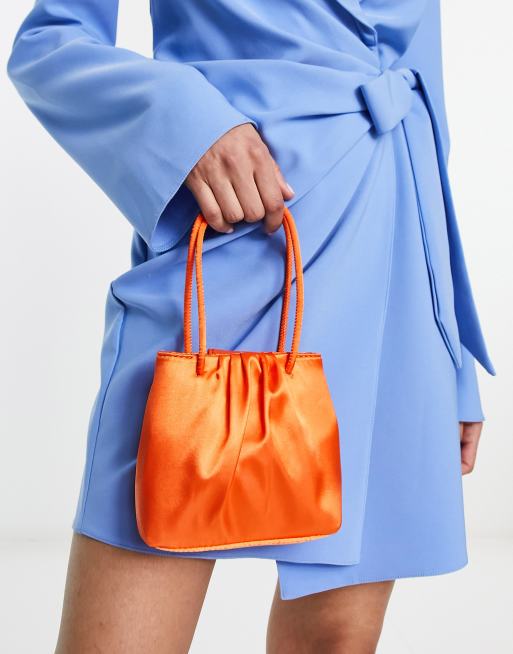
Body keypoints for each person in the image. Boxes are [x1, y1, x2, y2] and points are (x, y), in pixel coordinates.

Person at [7, 1, 495, 652]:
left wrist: (451, 348)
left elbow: (422, 93)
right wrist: (186, 122)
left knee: (336, 638)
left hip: (395, 260)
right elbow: (49, 41)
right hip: (239, 235)